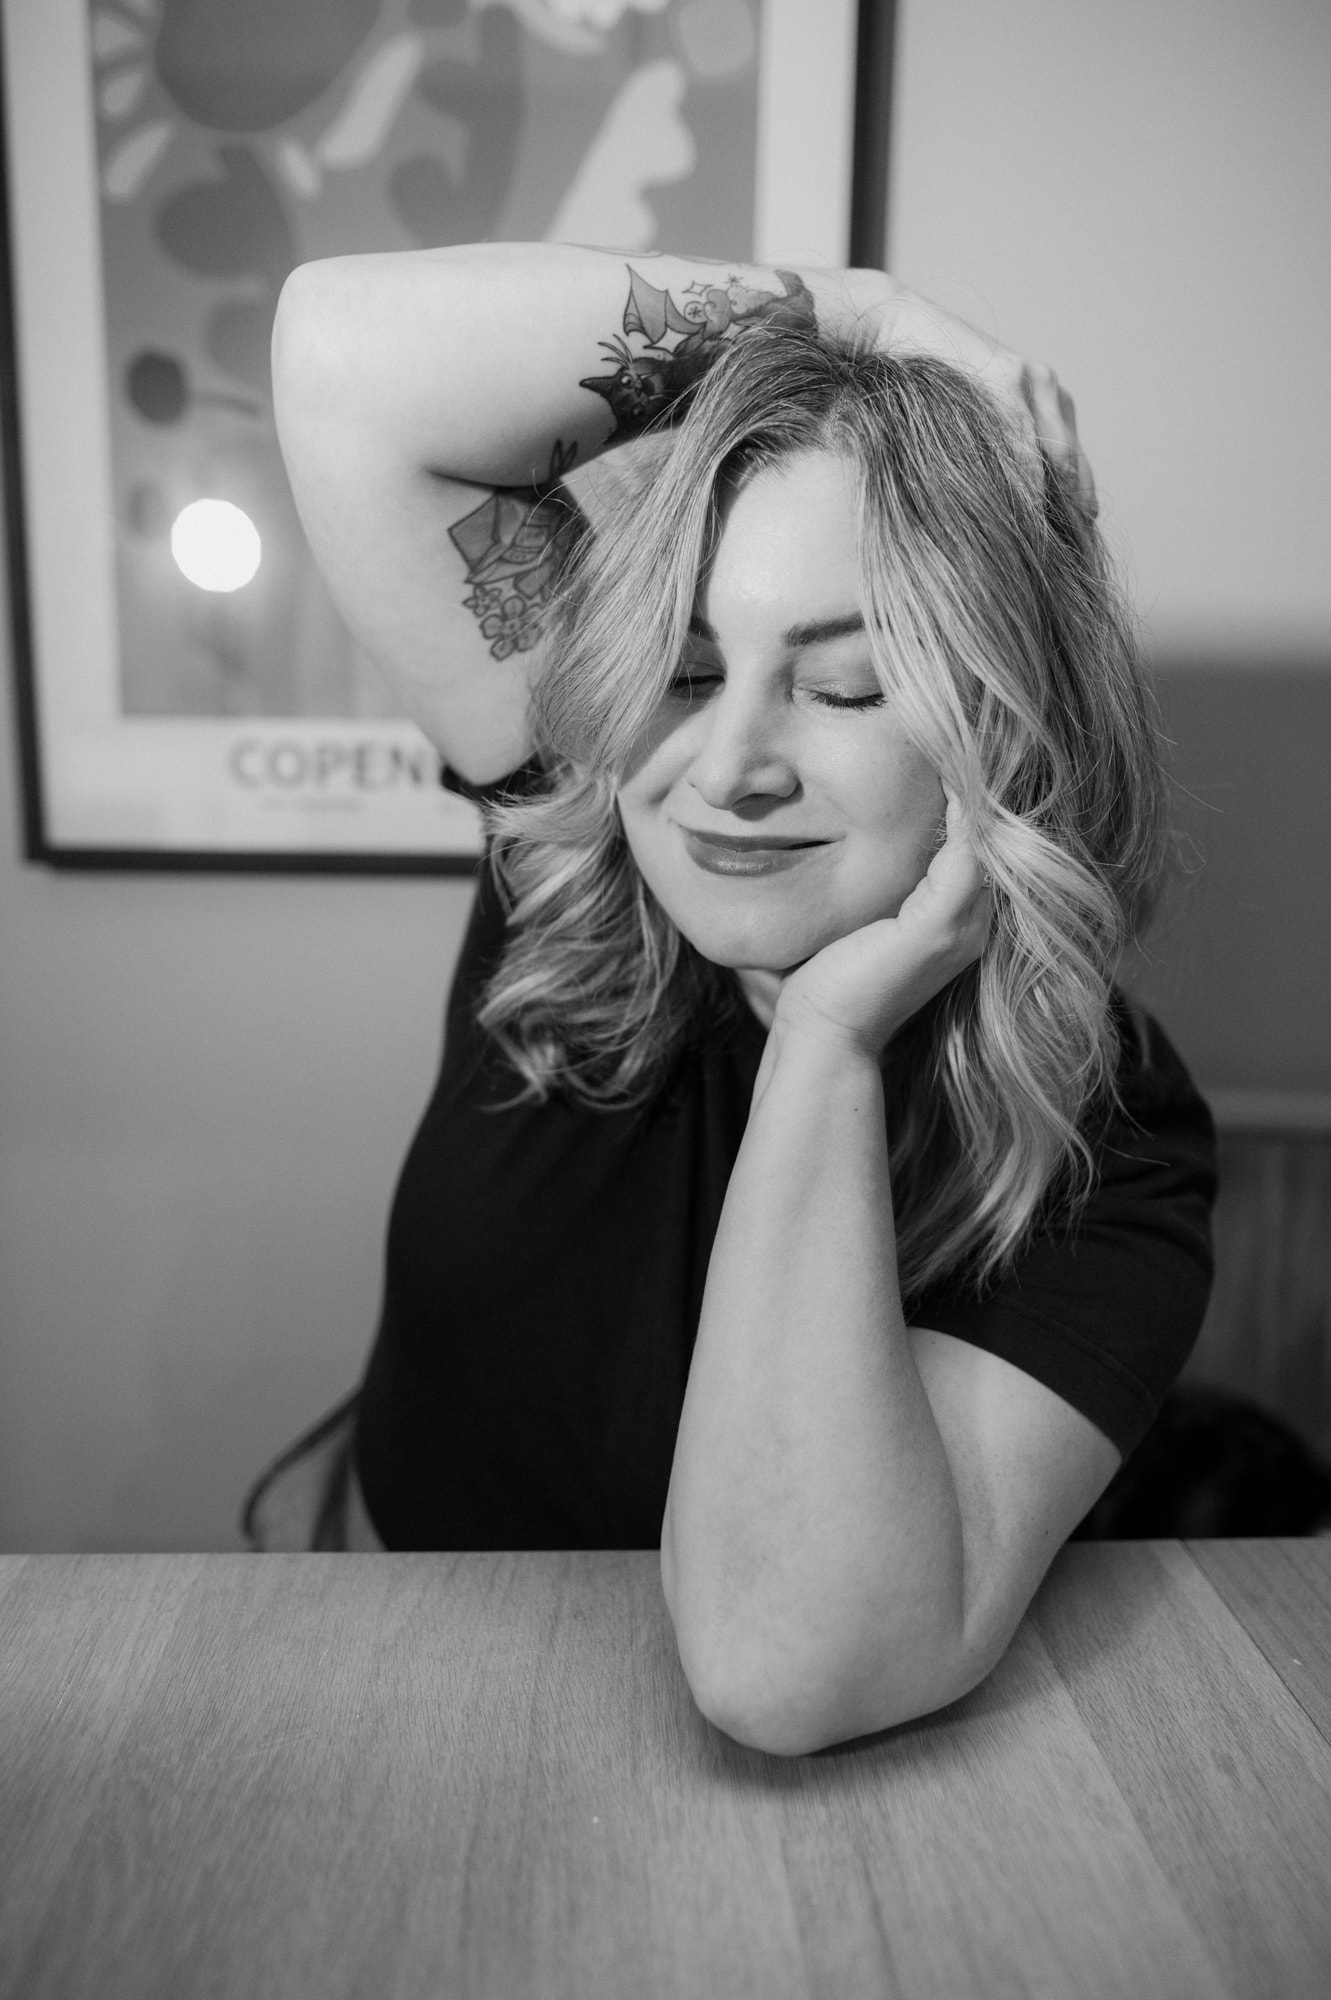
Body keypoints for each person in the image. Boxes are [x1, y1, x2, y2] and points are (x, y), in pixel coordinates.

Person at [265, 243, 1216, 1754]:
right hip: (377, 1674)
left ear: (1007, 736)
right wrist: (859, 315)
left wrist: (829, 1052)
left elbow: (786, 1666)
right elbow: (342, 358)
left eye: (844, 689)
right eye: (692, 672)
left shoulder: (1111, 1146)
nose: (729, 768)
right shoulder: (577, 843)